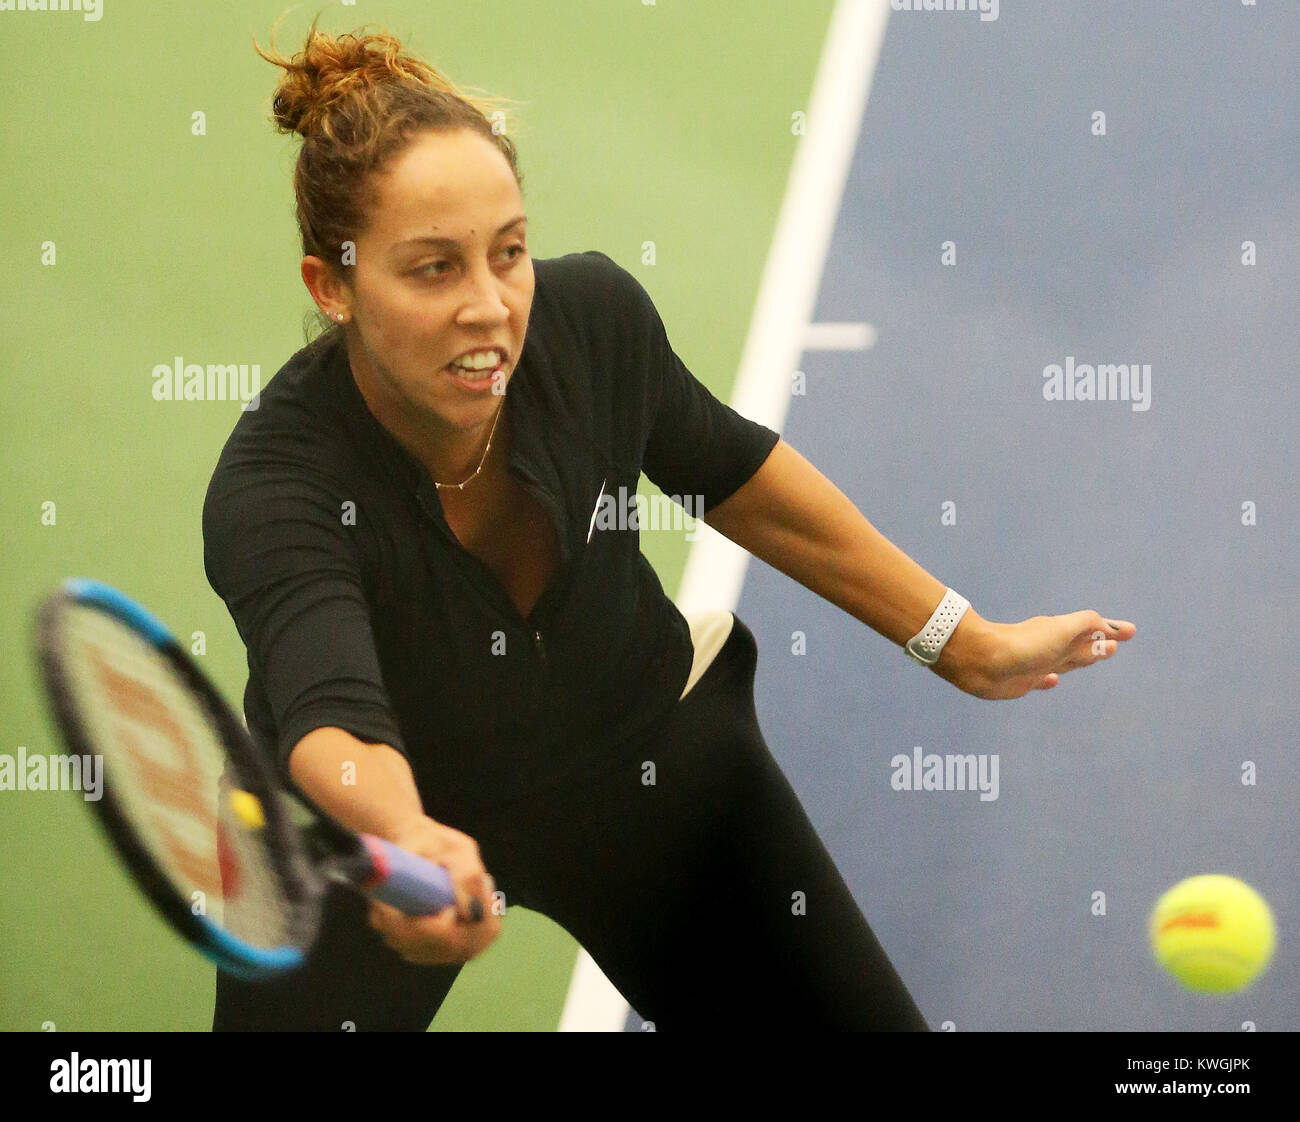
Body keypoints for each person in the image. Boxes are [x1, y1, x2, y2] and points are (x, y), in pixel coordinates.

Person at [202, 22, 1135, 1031]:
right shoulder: (275, 487)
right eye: (433, 270)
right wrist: (403, 839)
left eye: (507, 254)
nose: (490, 307)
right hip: (373, 847)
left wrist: (961, 640)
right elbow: (328, 715)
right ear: (330, 286)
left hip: (641, 762)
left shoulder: (591, 322)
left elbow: (733, 473)